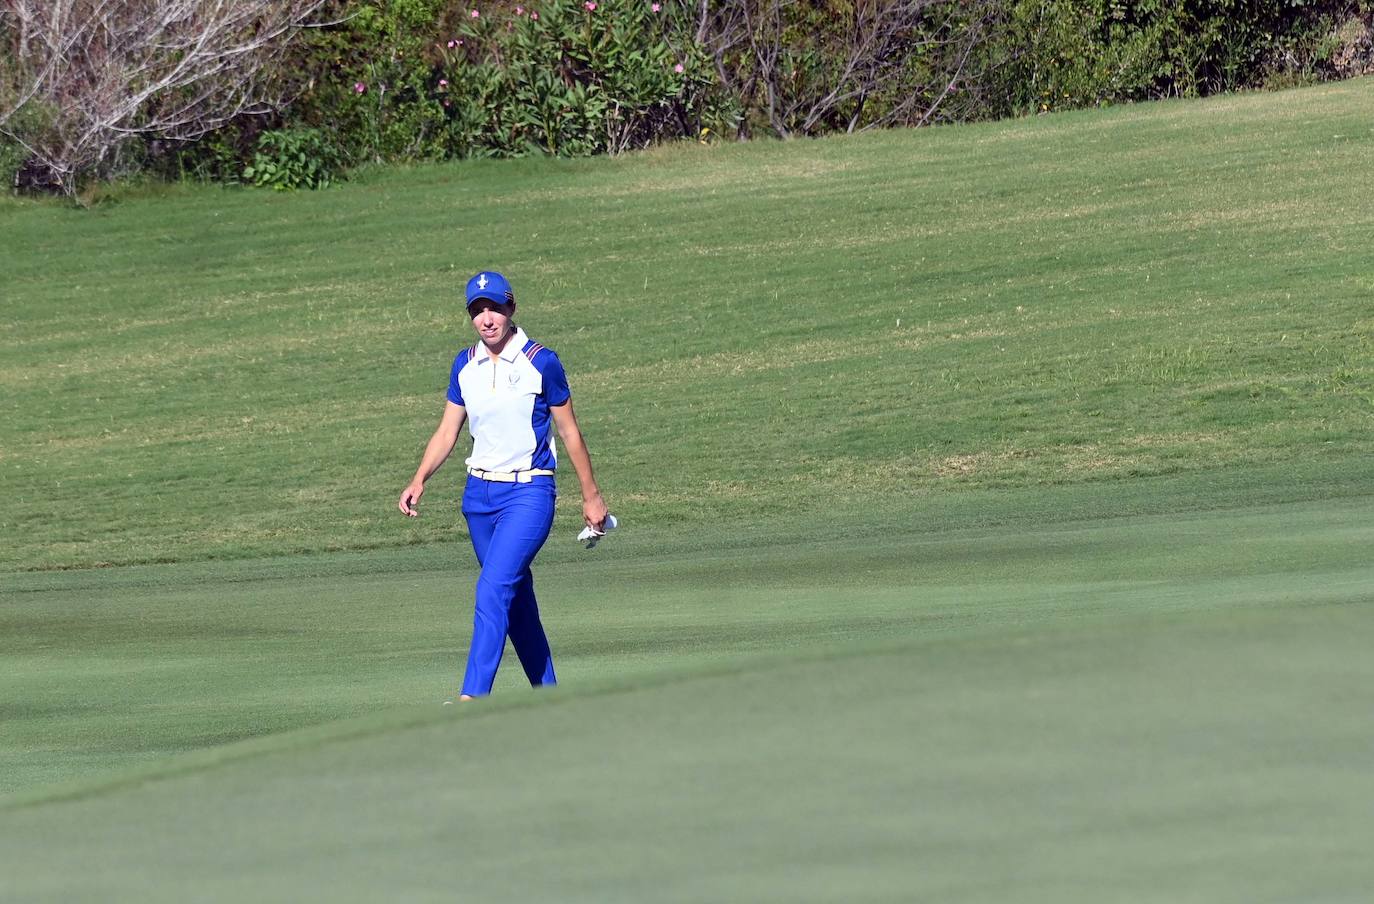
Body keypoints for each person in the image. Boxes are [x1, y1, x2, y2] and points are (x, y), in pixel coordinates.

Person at [398, 270, 608, 700]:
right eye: (478, 310)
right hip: (479, 498)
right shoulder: (465, 364)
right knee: (514, 600)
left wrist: (592, 496)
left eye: (495, 308)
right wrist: (420, 478)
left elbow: (570, 433)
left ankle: (473, 697)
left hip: (529, 494)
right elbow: (447, 432)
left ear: (511, 309)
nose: (487, 318)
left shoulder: (541, 361)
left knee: (493, 587)